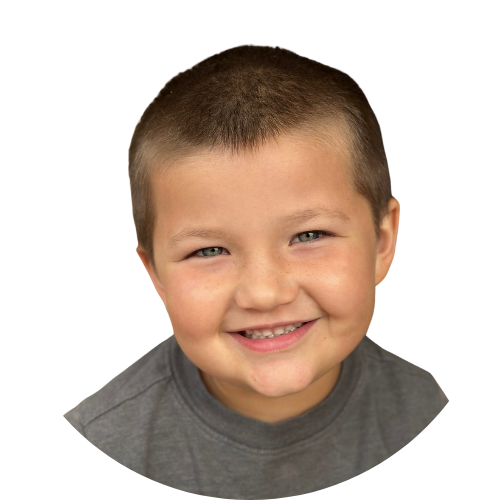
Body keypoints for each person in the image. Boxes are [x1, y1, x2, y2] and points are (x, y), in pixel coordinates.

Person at [63, 45, 448, 496]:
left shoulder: (427, 406)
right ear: (156, 276)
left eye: (309, 236)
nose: (264, 294)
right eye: (209, 250)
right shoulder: (102, 438)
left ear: (383, 241)